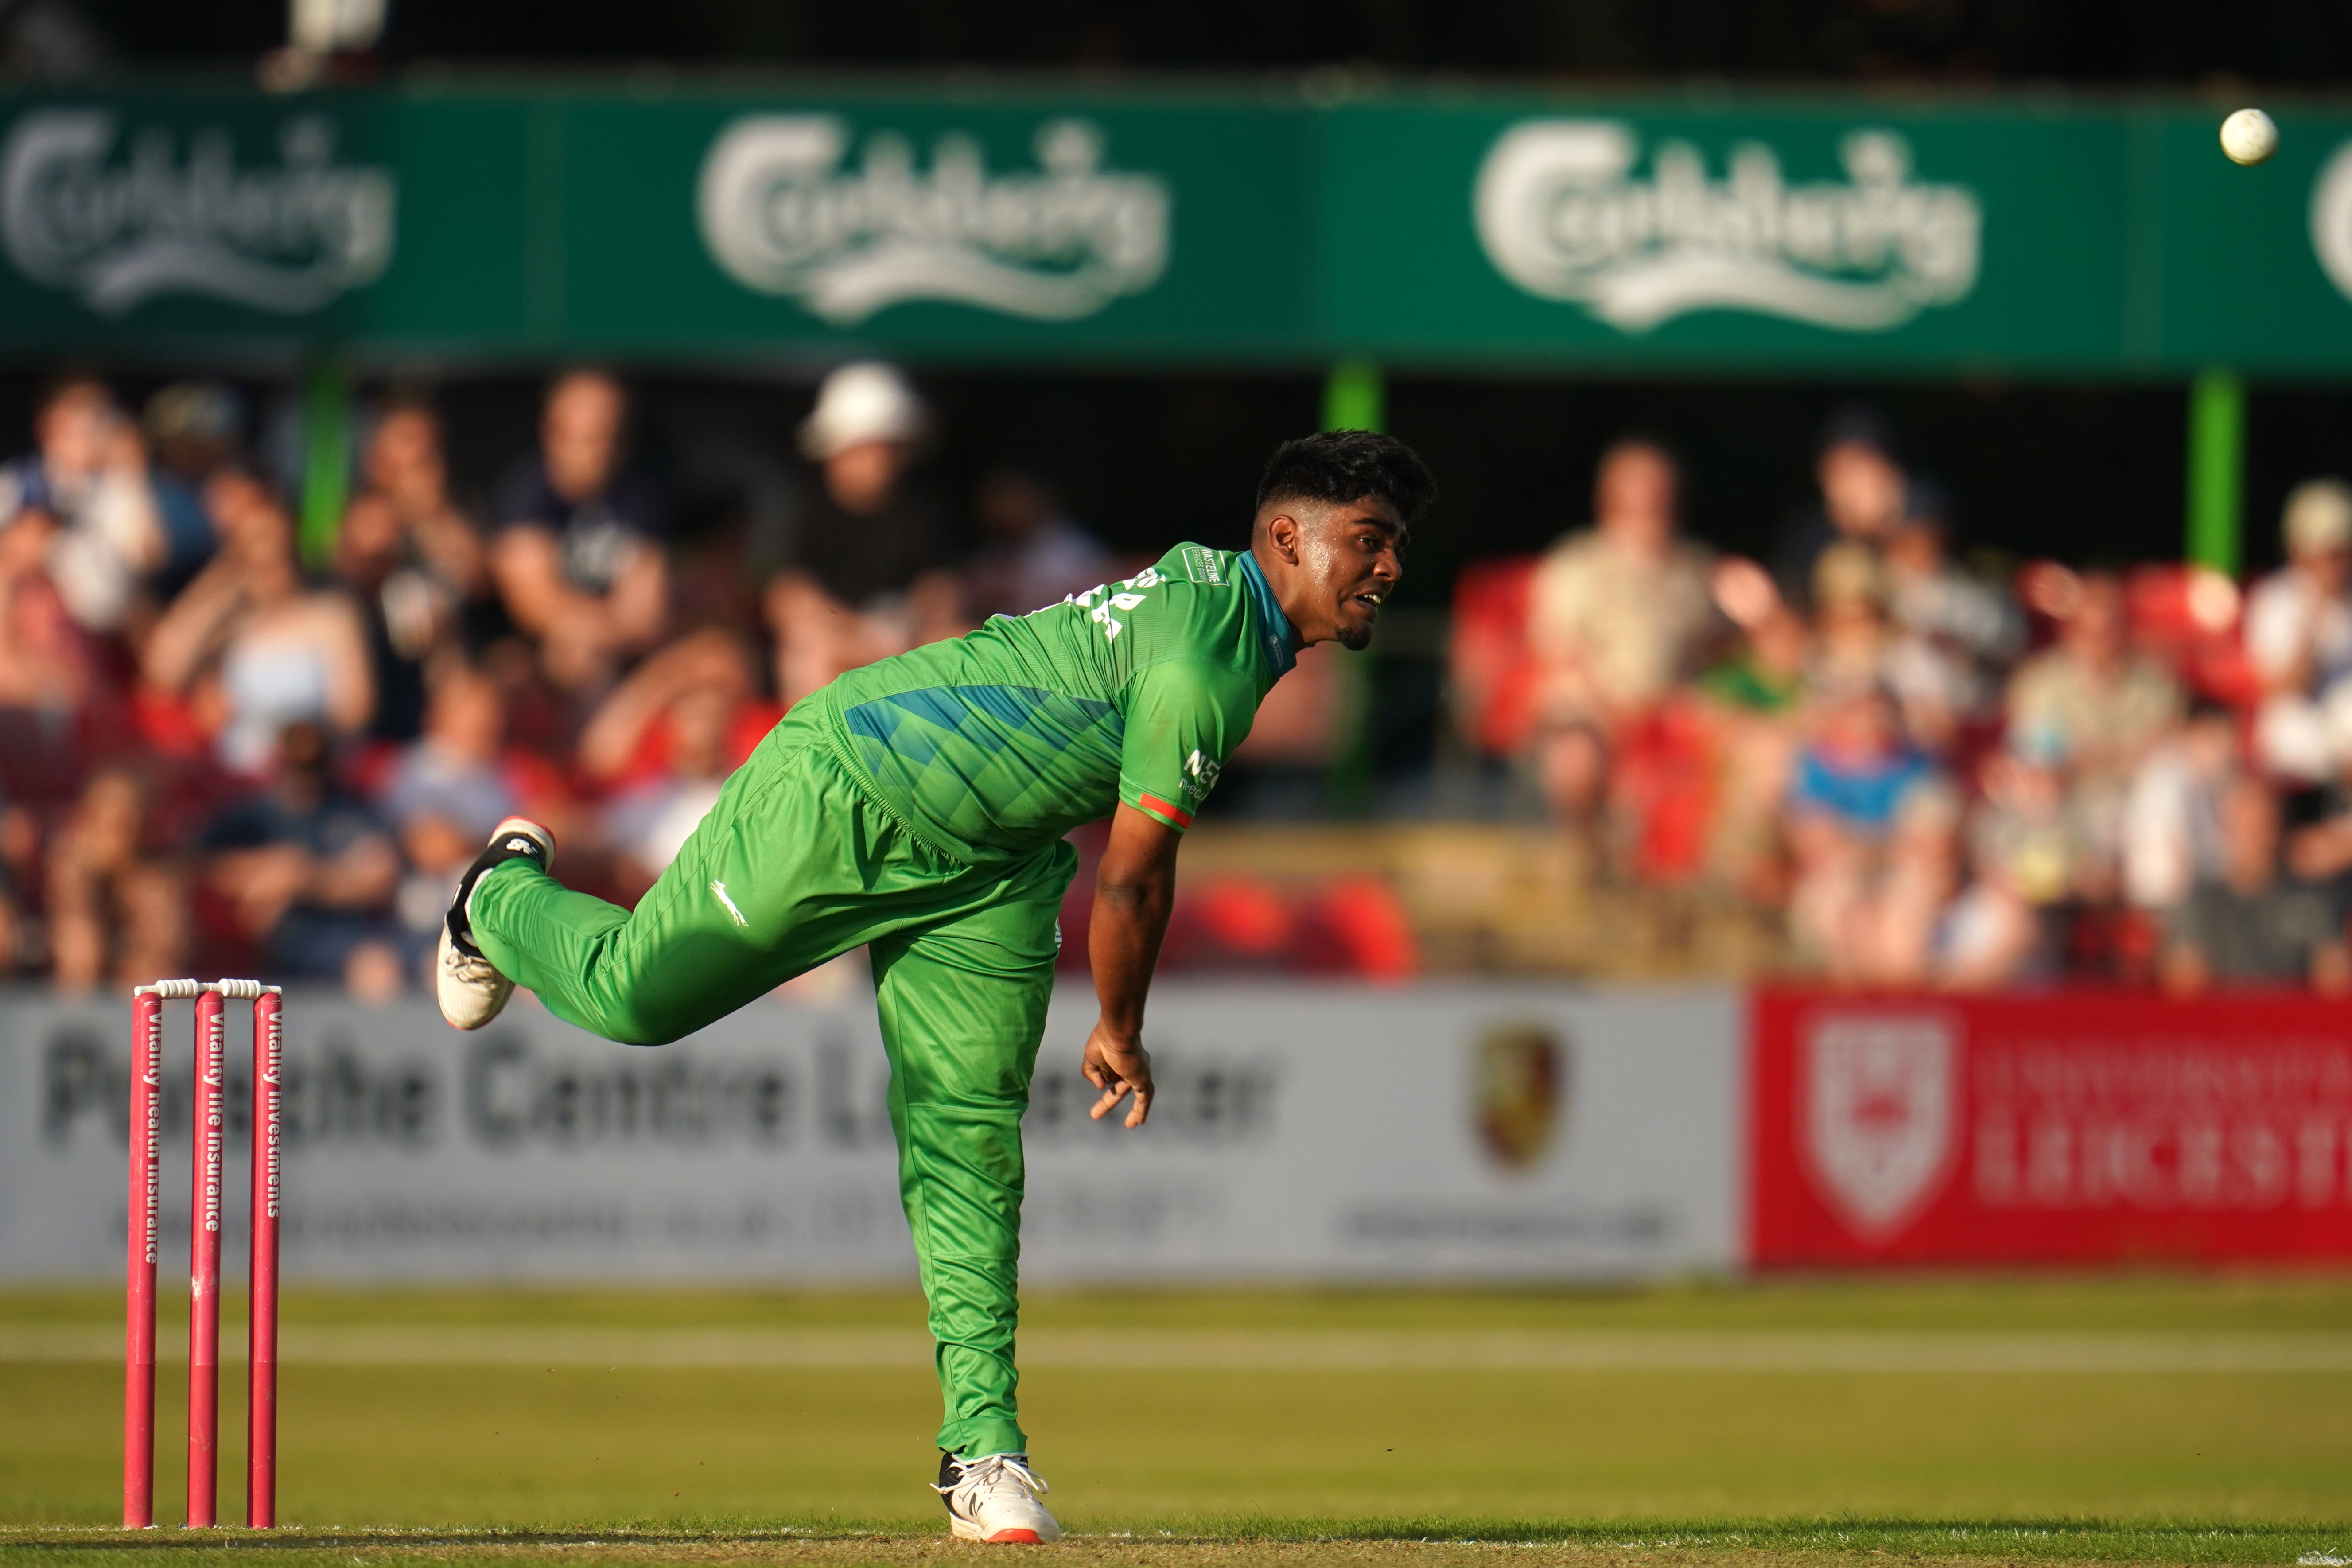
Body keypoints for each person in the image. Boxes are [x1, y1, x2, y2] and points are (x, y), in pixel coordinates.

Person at [431, 431, 1434, 1543]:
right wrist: (1121, 1025)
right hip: (853, 783)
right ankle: (499, 896)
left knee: (970, 1147)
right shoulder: (1210, 661)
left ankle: (983, 1449)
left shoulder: (1223, 595)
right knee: (633, 1000)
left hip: (990, 865)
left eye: (1394, 545)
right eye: (1372, 541)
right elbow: (1135, 880)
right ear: (1286, 536)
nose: (1390, 568)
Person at [1523, 437, 1715, 825]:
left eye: (1659, 489)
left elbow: (1712, 652)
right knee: (1573, 760)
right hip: (1590, 715)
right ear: (1610, 495)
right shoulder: (1575, 565)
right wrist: (1622, 719)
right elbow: (1560, 655)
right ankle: (1589, 860)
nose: (1651, 500)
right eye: (1639, 488)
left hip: (1675, 715)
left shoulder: (1696, 569)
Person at [143, 469, 374, 776]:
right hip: (236, 774)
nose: (271, 563)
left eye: (279, 550)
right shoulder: (236, 627)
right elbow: (165, 666)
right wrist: (224, 579)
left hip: (308, 771)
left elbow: (354, 713)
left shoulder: (330, 615)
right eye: (256, 551)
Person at [765, 362, 961, 706]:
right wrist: (859, 635)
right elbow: (787, 598)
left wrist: (907, 626)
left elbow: (943, 588)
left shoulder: (922, 507)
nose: (877, 459)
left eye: (888, 446)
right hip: (838, 642)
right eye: (865, 446)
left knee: (963, 643)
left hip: (909, 641)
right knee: (811, 654)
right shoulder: (802, 509)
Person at [490, 370, 669, 695]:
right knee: (570, 652)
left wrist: (598, 627)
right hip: (538, 660)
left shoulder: (639, 495)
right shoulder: (525, 496)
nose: (599, 449)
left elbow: (645, 617)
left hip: (620, 660)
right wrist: (604, 625)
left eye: (609, 435)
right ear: (551, 433)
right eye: (586, 437)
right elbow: (534, 606)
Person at [0, 376, 165, 635]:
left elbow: (146, 556)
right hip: (35, 630)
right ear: (48, 430)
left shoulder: (117, 486)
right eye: (79, 430)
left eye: (99, 427)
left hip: (109, 633)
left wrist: (133, 474)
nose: (90, 439)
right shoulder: (18, 485)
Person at [2161, 774, 2349, 993]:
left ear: (2277, 827)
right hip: (2224, 1022)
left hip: (2291, 1022)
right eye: (2243, 824)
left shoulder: (2310, 897)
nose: (2253, 834)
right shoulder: (2200, 902)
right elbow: (2185, 989)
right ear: (2225, 829)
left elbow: (2334, 981)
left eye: (2262, 823)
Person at [2246, 478, 2352, 783]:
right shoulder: (2273, 600)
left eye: (2344, 551)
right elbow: (2284, 690)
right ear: (2298, 552)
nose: (2339, 564)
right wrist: (2314, 620)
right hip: (2298, 732)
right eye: (2330, 553)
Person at [964, 466, 1116, 619]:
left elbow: (1091, 596)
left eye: (1012, 499)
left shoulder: (1068, 543)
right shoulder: (995, 552)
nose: (1003, 510)